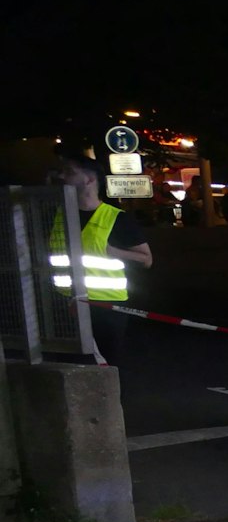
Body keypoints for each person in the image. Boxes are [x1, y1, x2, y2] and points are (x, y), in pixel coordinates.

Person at [49, 157, 152, 366]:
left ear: (89, 180)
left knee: (106, 366)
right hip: (65, 303)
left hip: (105, 306)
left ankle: (112, 400)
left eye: (69, 171)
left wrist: (112, 252)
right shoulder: (56, 214)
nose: (62, 176)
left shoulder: (116, 218)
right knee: (70, 365)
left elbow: (146, 259)